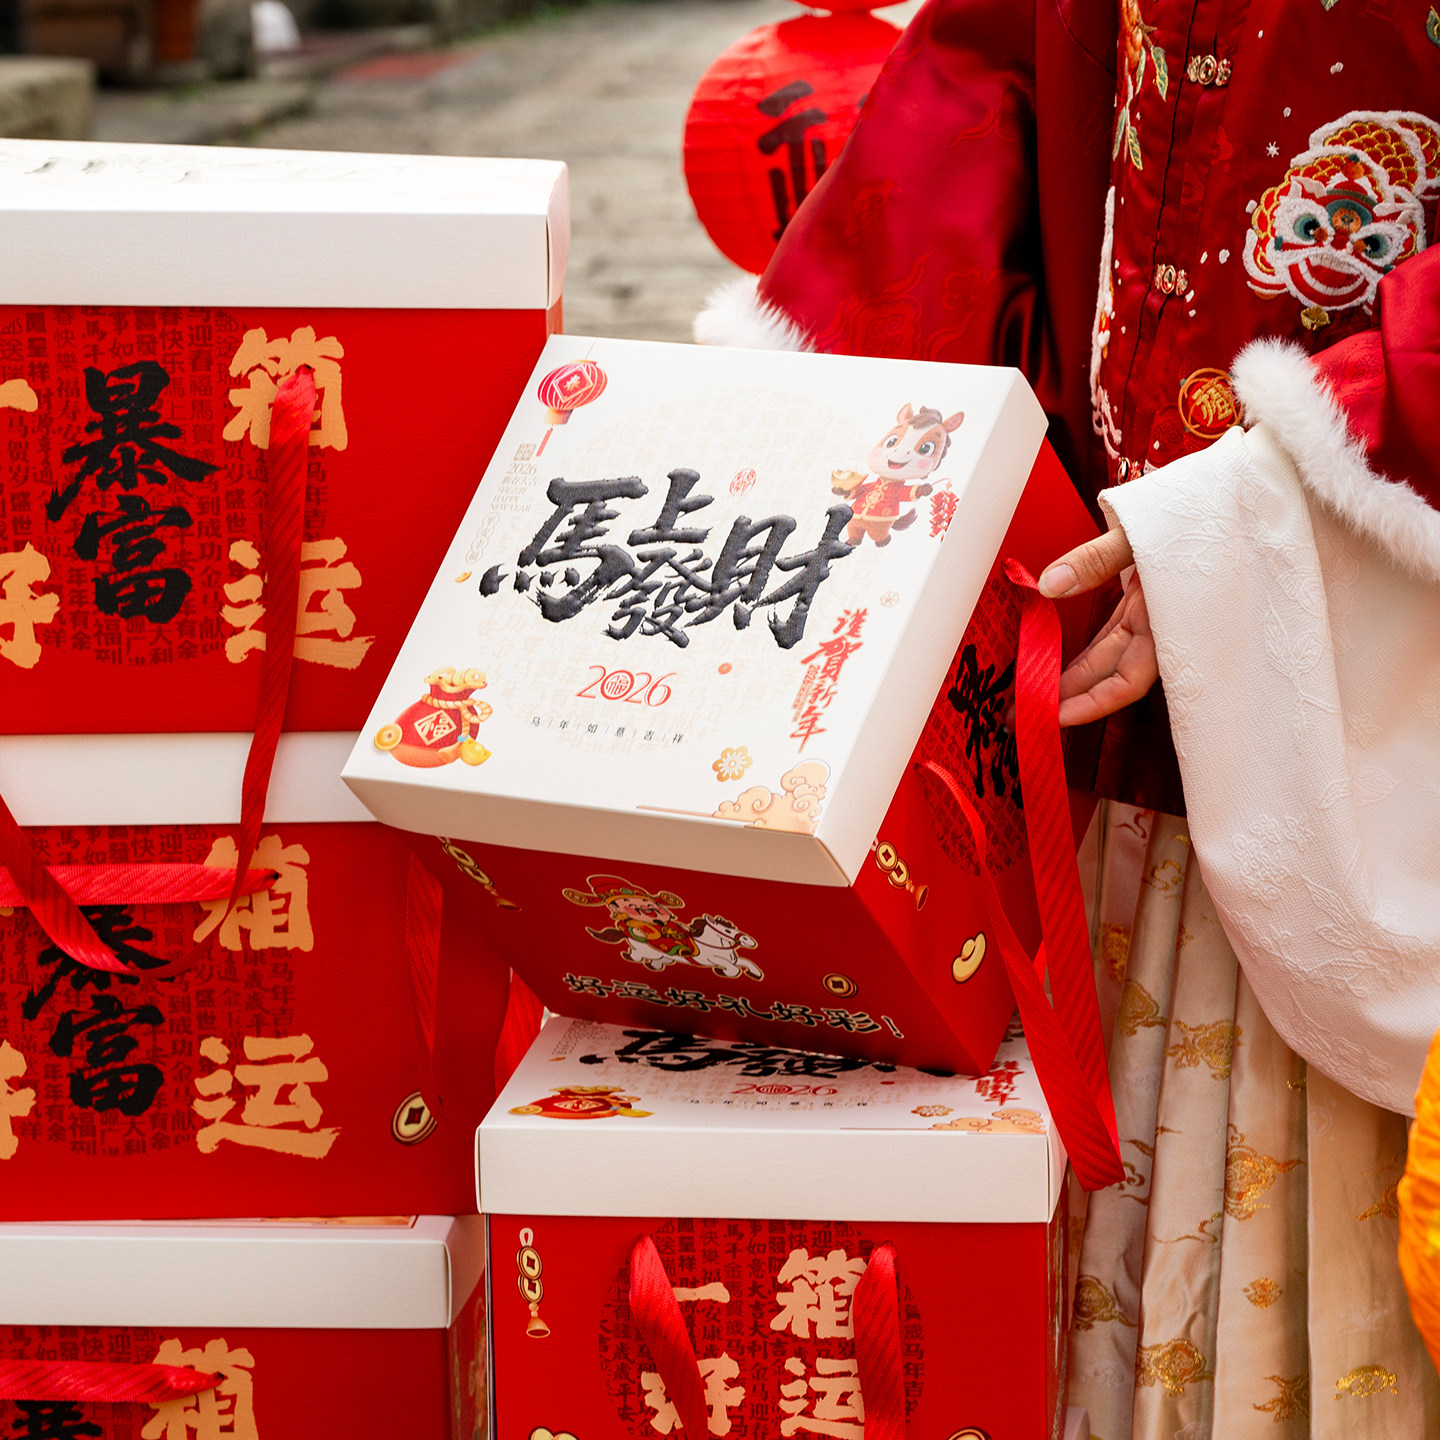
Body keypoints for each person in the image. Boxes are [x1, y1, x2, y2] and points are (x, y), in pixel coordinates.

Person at [697, 3, 1440, 1436]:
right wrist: (844, 436)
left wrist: (1304, 469)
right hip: (1110, 628)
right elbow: (998, 75)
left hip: (1362, 606)